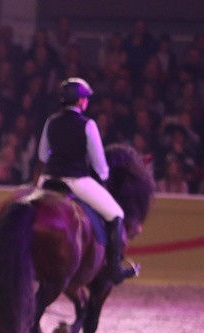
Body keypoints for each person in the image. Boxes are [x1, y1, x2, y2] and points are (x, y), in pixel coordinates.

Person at [36, 77, 138, 284]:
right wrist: (104, 177)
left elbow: (42, 155)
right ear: (81, 101)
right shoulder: (88, 125)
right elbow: (99, 165)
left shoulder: (51, 121)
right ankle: (116, 269)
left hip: (47, 179)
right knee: (116, 214)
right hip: (76, 181)